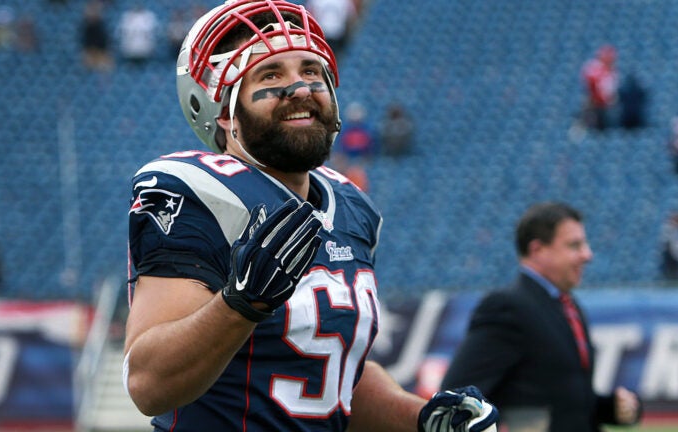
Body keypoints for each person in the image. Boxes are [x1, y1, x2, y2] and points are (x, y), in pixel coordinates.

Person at [123, 1, 498, 431]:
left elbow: (330, 375)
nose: (300, 88)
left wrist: (422, 418)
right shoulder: (200, 192)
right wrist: (238, 305)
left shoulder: (351, 207)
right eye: (270, 75)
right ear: (223, 112)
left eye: (311, 71)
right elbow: (148, 384)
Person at [440, 202, 642, 432]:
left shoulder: (567, 305)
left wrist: (609, 408)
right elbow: (459, 396)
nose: (588, 254)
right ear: (538, 250)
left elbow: (562, 397)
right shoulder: (507, 307)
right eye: (574, 245)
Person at [580, 45, 618, 131]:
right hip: (595, 103)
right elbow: (592, 86)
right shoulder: (594, 69)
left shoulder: (612, 71)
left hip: (607, 105)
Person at [659, 211, 678, 282]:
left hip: (675, 251)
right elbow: (667, 240)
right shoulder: (668, 227)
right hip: (670, 252)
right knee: (670, 269)